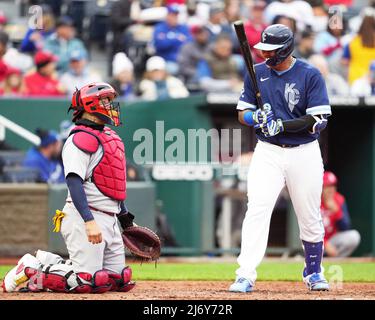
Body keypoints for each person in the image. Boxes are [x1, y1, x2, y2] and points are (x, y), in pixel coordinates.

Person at [2, 82, 136, 294]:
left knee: (118, 280)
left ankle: (47, 259)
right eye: (106, 101)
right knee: (87, 282)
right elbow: (74, 181)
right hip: (85, 215)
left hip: (109, 218)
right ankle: (30, 270)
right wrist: (89, 220)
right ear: (91, 105)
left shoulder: (110, 138)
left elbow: (113, 185)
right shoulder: (79, 139)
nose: (111, 105)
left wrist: (125, 218)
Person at [229, 24, 332, 293]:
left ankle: (313, 272)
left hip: (304, 152)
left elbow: (318, 119)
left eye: (270, 50)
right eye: (263, 49)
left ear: (285, 49)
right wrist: (256, 118)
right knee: (258, 209)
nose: (264, 54)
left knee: (309, 215)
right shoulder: (257, 73)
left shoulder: (309, 74)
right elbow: (243, 112)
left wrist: (282, 126)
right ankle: (245, 274)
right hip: (268, 152)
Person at [321, 171, 361, 257]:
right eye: (328, 186)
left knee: (354, 236)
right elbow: (309, 227)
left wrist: (337, 211)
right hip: (316, 241)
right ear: (321, 187)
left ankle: (336, 262)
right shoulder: (315, 201)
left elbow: (346, 227)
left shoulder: (339, 199)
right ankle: (311, 261)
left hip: (332, 240)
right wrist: (324, 243)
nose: (331, 189)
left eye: (333, 186)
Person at [152, 4, 192, 75]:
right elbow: (160, 46)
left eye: (176, 15)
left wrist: (169, 38)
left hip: (184, 60)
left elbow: (189, 43)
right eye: (172, 15)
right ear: (167, 16)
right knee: (172, 68)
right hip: (166, 59)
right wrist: (176, 38)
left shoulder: (183, 27)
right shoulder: (160, 28)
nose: (174, 17)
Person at [342, 10, 375, 84]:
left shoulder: (353, 42)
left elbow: (344, 61)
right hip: (372, 78)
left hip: (356, 78)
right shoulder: (353, 42)